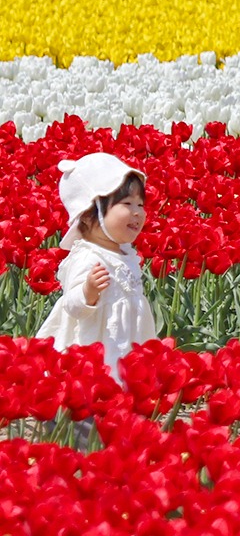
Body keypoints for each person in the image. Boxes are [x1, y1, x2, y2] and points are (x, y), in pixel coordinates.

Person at [36, 153, 157, 382]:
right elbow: (71, 307)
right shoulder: (88, 257)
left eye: (140, 204)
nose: (137, 212)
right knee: (98, 383)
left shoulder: (126, 254)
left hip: (127, 339)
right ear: (89, 214)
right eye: (127, 204)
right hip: (96, 346)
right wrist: (88, 292)